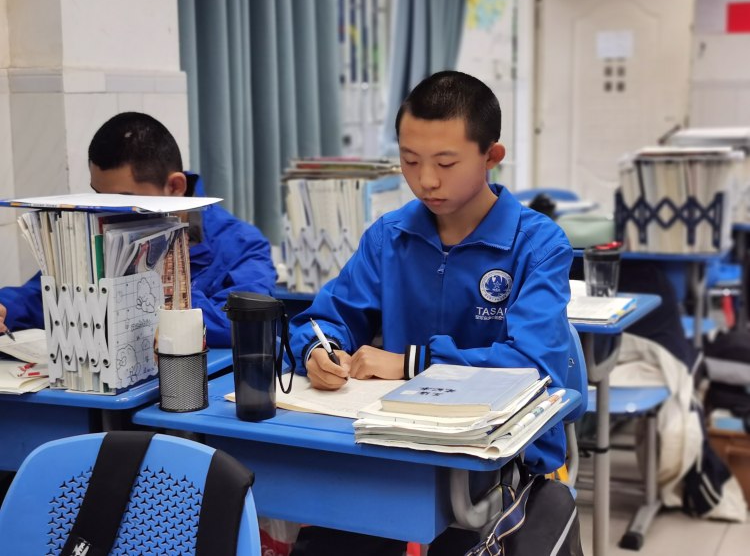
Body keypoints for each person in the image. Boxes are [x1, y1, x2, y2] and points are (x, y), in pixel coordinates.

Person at [288, 71, 573, 555]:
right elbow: (326, 317)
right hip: (391, 450)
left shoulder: (537, 244)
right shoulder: (390, 236)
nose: (426, 180)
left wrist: (413, 364)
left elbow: (533, 368)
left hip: (497, 465)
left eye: (445, 162)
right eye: (409, 160)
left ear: (492, 156)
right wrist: (320, 349)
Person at [0, 111, 276, 348]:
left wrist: (155, 288)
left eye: (125, 200)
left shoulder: (242, 244)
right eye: (99, 196)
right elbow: (45, 295)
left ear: (175, 187)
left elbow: (244, 324)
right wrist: (6, 307)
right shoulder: (96, 229)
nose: (110, 213)